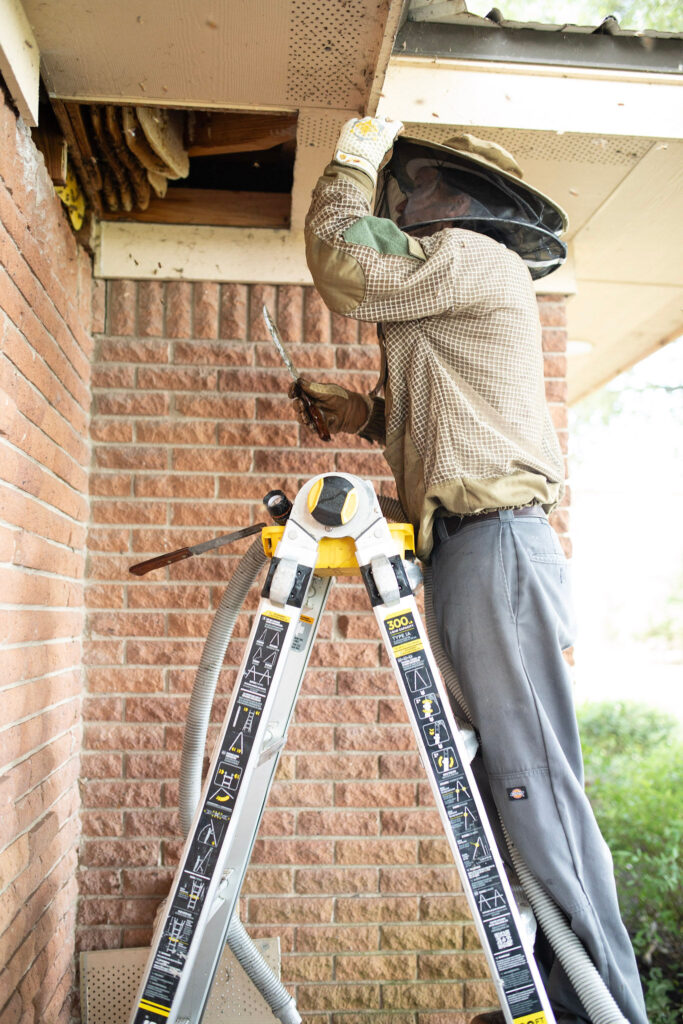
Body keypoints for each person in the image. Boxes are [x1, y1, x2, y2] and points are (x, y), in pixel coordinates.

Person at [291, 117, 648, 1024]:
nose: (405, 199)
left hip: (493, 549)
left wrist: (352, 159)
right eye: (399, 182)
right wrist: (366, 414)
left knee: (537, 790)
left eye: (420, 183)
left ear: (471, 201)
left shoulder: (469, 257)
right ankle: (558, 997)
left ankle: (604, 1011)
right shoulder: (453, 283)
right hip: (466, 551)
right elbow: (453, 408)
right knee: (507, 788)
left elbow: (340, 263)